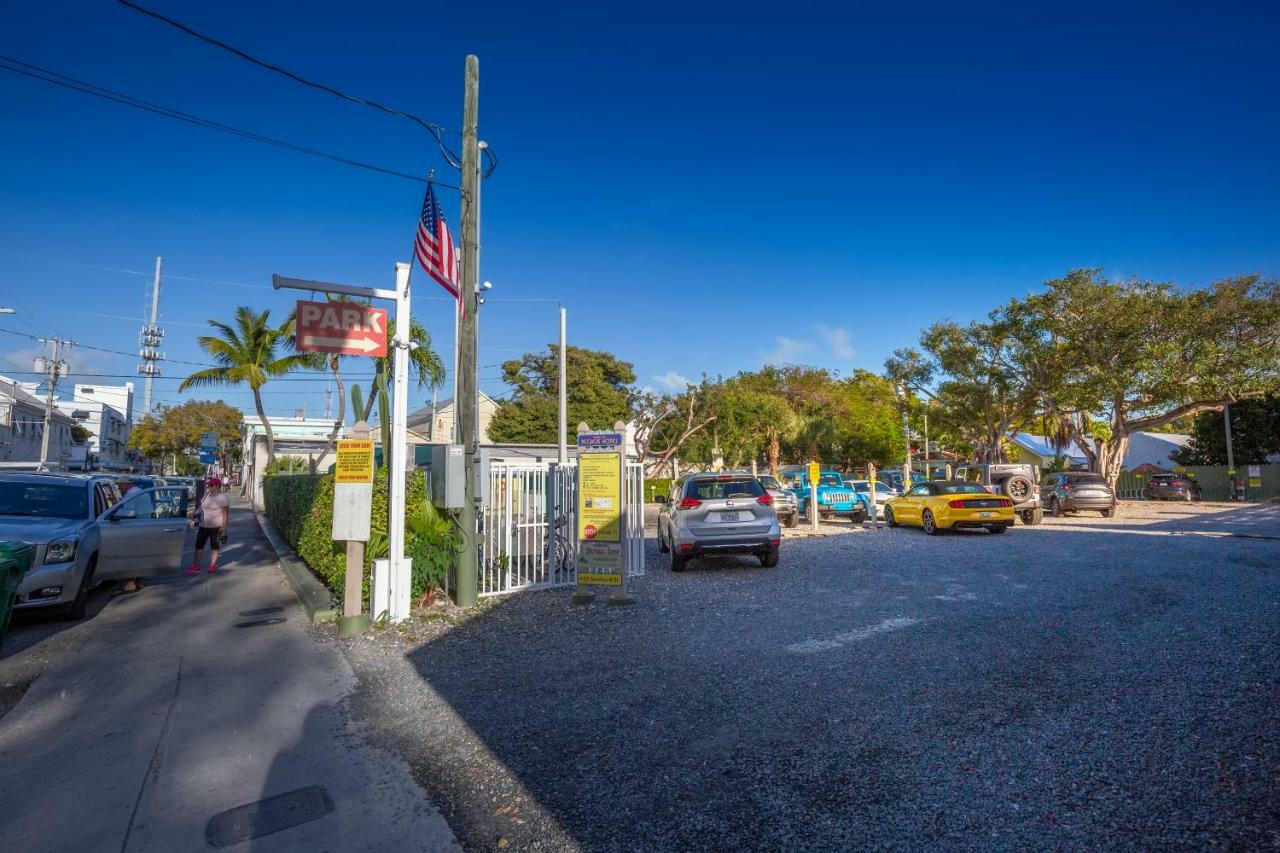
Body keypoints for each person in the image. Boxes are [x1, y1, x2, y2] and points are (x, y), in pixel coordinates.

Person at [186, 477, 230, 574]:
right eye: (208, 485)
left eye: (211, 485)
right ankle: (196, 566)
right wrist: (196, 520)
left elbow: (225, 514)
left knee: (214, 546)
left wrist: (223, 528)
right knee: (199, 546)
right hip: (203, 525)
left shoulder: (222, 498)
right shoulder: (206, 495)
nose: (209, 487)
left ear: (218, 486)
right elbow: (200, 509)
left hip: (216, 526)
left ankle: (212, 565)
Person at [113, 477, 145, 595]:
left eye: (120, 485)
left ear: (126, 484)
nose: (118, 487)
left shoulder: (131, 496)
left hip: (134, 528)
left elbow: (126, 513)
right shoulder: (140, 491)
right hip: (144, 526)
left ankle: (129, 584)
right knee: (140, 554)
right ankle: (139, 581)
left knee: (131, 555)